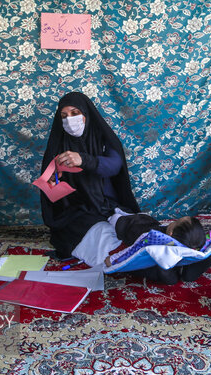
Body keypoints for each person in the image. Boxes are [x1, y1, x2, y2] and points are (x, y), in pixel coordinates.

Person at [41, 92, 140, 259]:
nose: (69, 120)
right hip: (74, 208)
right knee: (70, 236)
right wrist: (52, 181)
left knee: (127, 228)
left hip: (104, 204)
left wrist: (85, 160)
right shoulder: (59, 142)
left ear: (86, 114)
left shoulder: (102, 137)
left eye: (75, 113)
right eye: (64, 116)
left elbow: (115, 166)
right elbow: (50, 185)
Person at [104, 212, 211, 285]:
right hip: (182, 258)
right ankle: (188, 267)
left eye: (175, 222)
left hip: (152, 265)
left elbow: (128, 253)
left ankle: (165, 268)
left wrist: (110, 260)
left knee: (130, 222)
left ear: (171, 233)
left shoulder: (149, 235)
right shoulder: (190, 243)